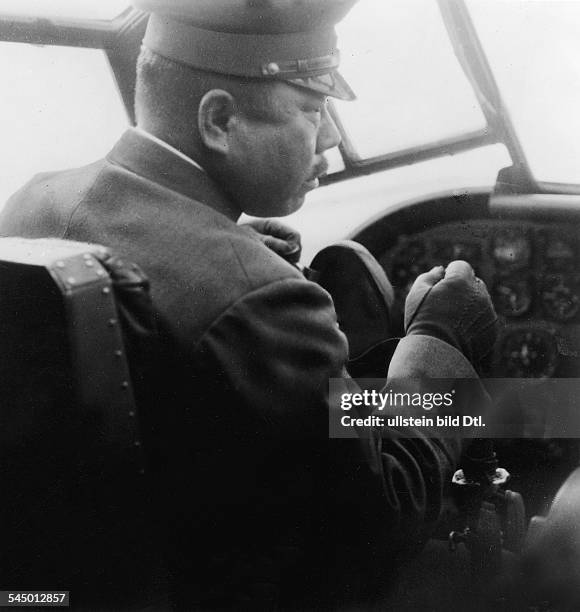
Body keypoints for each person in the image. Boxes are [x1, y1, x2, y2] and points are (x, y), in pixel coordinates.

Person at [0, 1, 498, 609]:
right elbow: (387, 519)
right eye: (313, 108)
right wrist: (442, 342)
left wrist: (229, 240)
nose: (334, 137)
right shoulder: (260, 299)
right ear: (218, 121)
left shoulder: (33, 204)